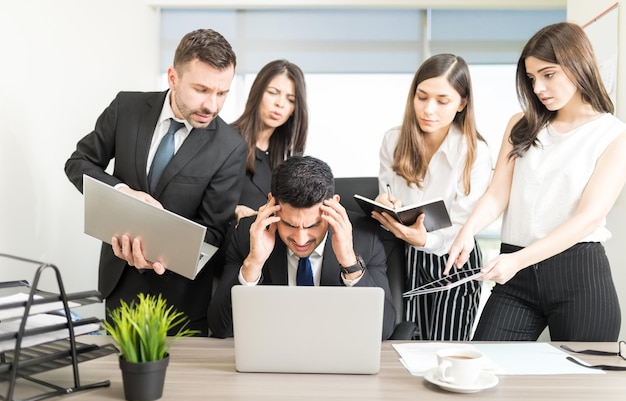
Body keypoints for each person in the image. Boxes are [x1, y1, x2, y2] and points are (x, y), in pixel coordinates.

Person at [445, 22, 626, 342]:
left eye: (548, 74)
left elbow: (588, 219)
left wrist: (517, 260)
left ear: (577, 64)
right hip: (516, 276)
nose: (538, 87)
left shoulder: (612, 134)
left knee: (580, 389)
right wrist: (468, 230)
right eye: (531, 78)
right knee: (486, 366)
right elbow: (498, 192)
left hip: (579, 274)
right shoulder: (521, 124)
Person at [65, 29, 247, 336]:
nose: (212, 106)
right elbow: (79, 163)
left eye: (222, 93)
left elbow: (214, 233)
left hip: (182, 303)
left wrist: (162, 253)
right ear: (173, 78)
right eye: (202, 89)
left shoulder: (231, 147)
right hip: (119, 285)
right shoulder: (127, 108)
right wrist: (123, 193)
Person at [208, 155, 396, 339]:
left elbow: (383, 330)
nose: (300, 238)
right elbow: (221, 328)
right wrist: (254, 264)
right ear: (272, 202)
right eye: (289, 224)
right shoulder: (249, 234)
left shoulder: (364, 237)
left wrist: (349, 262)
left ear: (334, 205)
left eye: (313, 225)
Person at [372, 54, 492, 341]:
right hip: (409, 256)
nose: (428, 109)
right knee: (408, 346)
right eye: (422, 97)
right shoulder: (394, 140)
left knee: (444, 349)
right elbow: (389, 193)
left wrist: (426, 240)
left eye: (442, 100)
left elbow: (464, 224)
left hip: (455, 258)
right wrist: (385, 203)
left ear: (462, 103)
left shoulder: (474, 151)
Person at [232, 59, 308, 222]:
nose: (280, 103)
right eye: (273, 92)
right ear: (258, 93)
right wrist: (233, 209)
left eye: (290, 99)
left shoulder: (283, 160)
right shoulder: (225, 140)